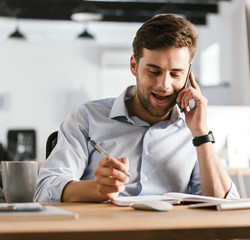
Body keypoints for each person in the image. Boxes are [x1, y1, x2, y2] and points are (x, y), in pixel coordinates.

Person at [35, 14, 239, 202]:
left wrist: (201, 134)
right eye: (154, 71)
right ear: (134, 66)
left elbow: (225, 207)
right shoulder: (87, 118)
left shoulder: (193, 132)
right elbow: (43, 191)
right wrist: (97, 189)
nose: (164, 85)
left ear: (188, 75)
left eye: (176, 74)